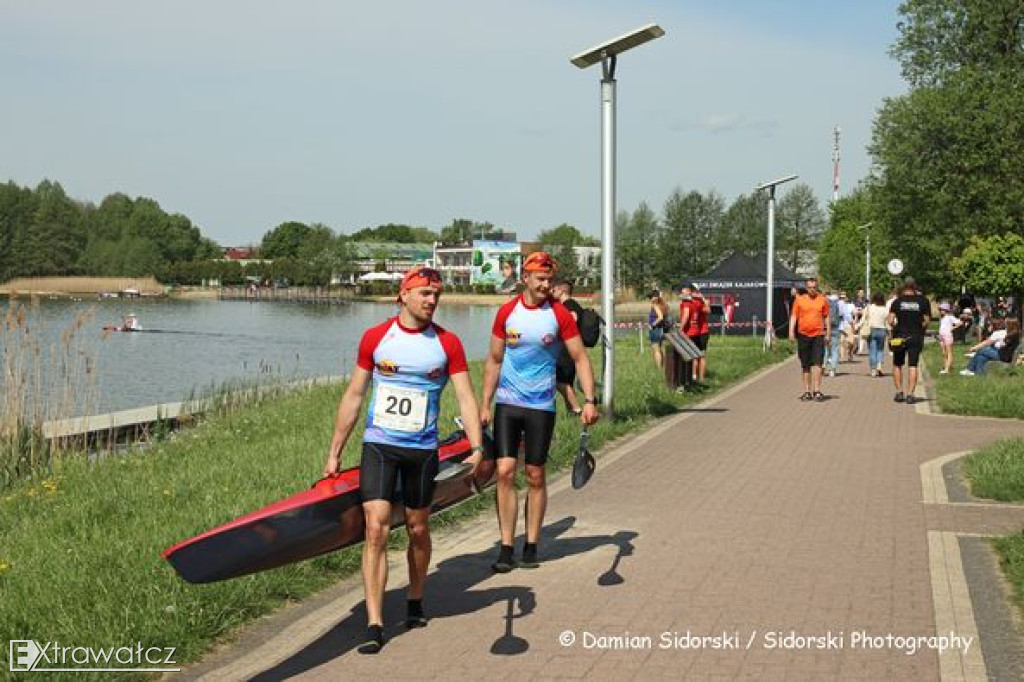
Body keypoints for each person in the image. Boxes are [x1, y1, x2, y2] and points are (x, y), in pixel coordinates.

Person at [323, 266, 484, 654]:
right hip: (379, 445)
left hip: (422, 450)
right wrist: (335, 453)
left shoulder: (447, 344)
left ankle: (414, 597)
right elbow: (355, 396)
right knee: (376, 529)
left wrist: (477, 448)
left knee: (416, 528)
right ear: (404, 295)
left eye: (436, 295)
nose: (432, 301)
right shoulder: (377, 338)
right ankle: (375, 622)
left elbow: (465, 396)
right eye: (425, 293)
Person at [480, 251, 599, 572]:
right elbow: (493, 360)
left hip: (540, 406)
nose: (547, 285)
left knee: (534, 475)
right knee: (504, 472)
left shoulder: (558, 315)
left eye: (550, 280)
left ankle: (531, 544)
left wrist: (589, 400)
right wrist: (484, 405)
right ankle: (506, 546)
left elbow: (580, 359)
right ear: (526, 279)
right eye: (541, 279)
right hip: (508, 403)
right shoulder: (507, 313)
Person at [887, 277, 931, 404]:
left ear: (904, 287)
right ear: (914, 287)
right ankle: (910, 394)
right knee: (913, 365)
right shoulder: (923, 301)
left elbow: (890, 320)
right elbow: (926, 320)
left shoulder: (897, 301)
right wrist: (920, 328)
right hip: (915, 336)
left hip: (899, 337)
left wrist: (895, 327)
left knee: (897, 364)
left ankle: (899, 392)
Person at [788, 277, 830, 401]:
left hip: (818, 334)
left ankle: (817, 390)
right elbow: (794, 316)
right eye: (810, 288)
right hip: (803, 335)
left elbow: (826, 317)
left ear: (817, 288)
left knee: (818, 362)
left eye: (814, 288)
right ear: (806, 288)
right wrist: (791, 332)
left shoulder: (822, 300)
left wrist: (828, 333)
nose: (812, 290)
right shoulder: (799, 300)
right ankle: (807, 391)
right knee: (805, 364)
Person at [551, 279, 584, 414]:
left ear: (562, 291)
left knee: (559, 382)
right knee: (566, 382)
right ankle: (571, 411)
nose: (552, 292)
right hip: (567, 349)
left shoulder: (569, 305)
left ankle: (577, 410)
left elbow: (571, 320)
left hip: (566, 350)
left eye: (554, 290)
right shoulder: (571, 305)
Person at [863, 292, 890, 377]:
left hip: (872, 330)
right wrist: (889, 330)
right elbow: (887, 322)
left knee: (872, 351)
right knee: (880, 350)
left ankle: (873, 369)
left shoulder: (869, 308)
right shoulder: (885, 309)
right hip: (882, 330)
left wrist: (857, 327)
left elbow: (864, 319)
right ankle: (879, 365)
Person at [937, 303, 963, 374]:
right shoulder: (941, 318)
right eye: (940, 309)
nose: (940, 311)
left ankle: (947, 369)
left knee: (949, 352)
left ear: (946, 310)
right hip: (941, 336)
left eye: (942, 310)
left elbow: (960, 323)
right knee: (944, 353)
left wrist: (952, 328)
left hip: (948, 336)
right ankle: (947, 366)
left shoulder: (950, 317)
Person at [648, 291, 670, 369]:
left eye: (650, 297)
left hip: (655, 329)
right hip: (661, 329)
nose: (650, 299)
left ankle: (659, 367)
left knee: (656, 350)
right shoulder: (664, 305)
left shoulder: (655, 305)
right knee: (660, 349)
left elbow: (660, 317)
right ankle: (663, 366)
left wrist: (652, 324)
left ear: (655, 297)